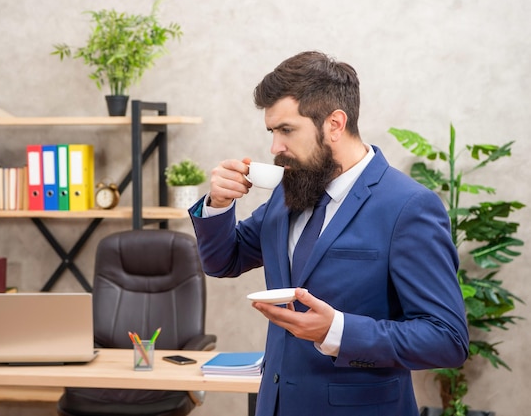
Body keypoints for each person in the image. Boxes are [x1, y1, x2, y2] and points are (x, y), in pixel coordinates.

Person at [188, 51, 469, 416]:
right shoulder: (288, 190)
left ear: (335, 123)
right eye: (272, 132)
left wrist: (337, 330)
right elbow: (225, 261)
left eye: (287, 130)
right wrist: (218, 204)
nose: (275, 148)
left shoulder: (408, 206)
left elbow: (447, 340)